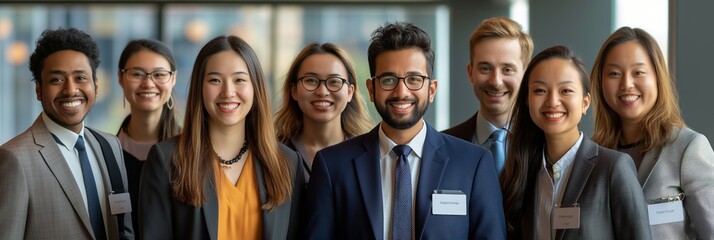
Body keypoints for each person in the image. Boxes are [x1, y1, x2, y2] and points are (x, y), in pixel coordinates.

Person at [303, 22, 505, 239]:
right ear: (371, 89)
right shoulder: (333, 166)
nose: (401, 92)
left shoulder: (473, 164)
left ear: (432, 90)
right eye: (389, 80)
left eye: (414, 80)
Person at [138, 35, 304, 240]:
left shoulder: (287, 163)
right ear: (200, 88)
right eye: (215, 80)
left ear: (256, 88)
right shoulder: (167, 159)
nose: (228, 92)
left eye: (239, 80)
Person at [500, 45, 651, 239]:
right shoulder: (519, 174)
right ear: (528, 100)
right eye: (540, 90)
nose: (553, 101)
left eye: (566, 90)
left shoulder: (613, 168)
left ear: (585, 102)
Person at [0, 28, 133, 239]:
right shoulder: (15, 158)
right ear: (38, 90)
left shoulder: (110, 145)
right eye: (56, 80)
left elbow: (123, 224)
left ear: (96, 86)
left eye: (80, 78)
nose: (71, 90)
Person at [591, 27, 714, 239]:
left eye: (638, 72)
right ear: (600, 82)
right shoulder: (593, 154)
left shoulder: (688, 147)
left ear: (657, 77)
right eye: (614, 74)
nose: (626, 84)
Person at [443, 17, 533, 176]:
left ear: (526, 75)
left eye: (507, 69)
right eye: (485, 68)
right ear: (470, 73)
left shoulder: (544, 144)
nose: (496, 82)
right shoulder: (443, 145)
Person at [275, 43, 372, 181]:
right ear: (294, 90)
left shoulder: (369, 155)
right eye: (311, 81)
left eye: (334, 82)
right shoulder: (273, 155)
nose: (322, 92)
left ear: (350, 92)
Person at [116, 39, 181, 239]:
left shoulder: (191, 150)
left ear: (173, 79)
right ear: (121, 77)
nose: (148, 83)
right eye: (137, 74)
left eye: (159, 75)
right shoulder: (105, 153)